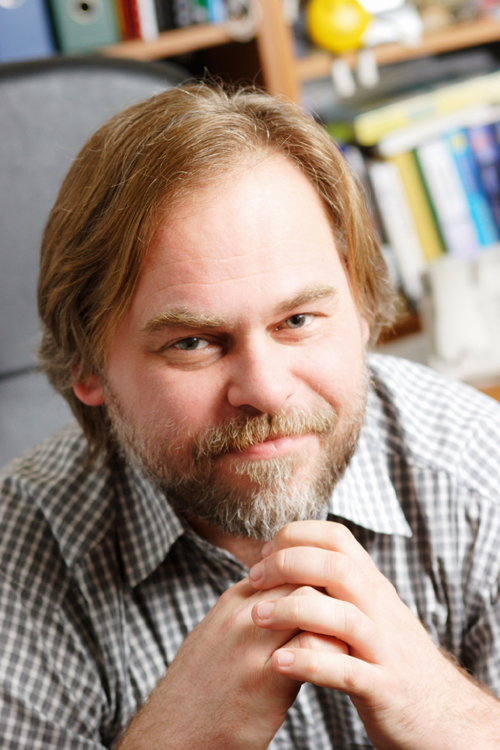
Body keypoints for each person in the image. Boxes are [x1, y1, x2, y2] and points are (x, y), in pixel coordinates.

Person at [1, 82, 500, 750]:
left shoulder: (478, 475)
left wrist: (453, 717)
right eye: (193, 342)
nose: (265, 390)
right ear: (86, 366)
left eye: (298, 320)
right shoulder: (20, 561)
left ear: (359, 308)